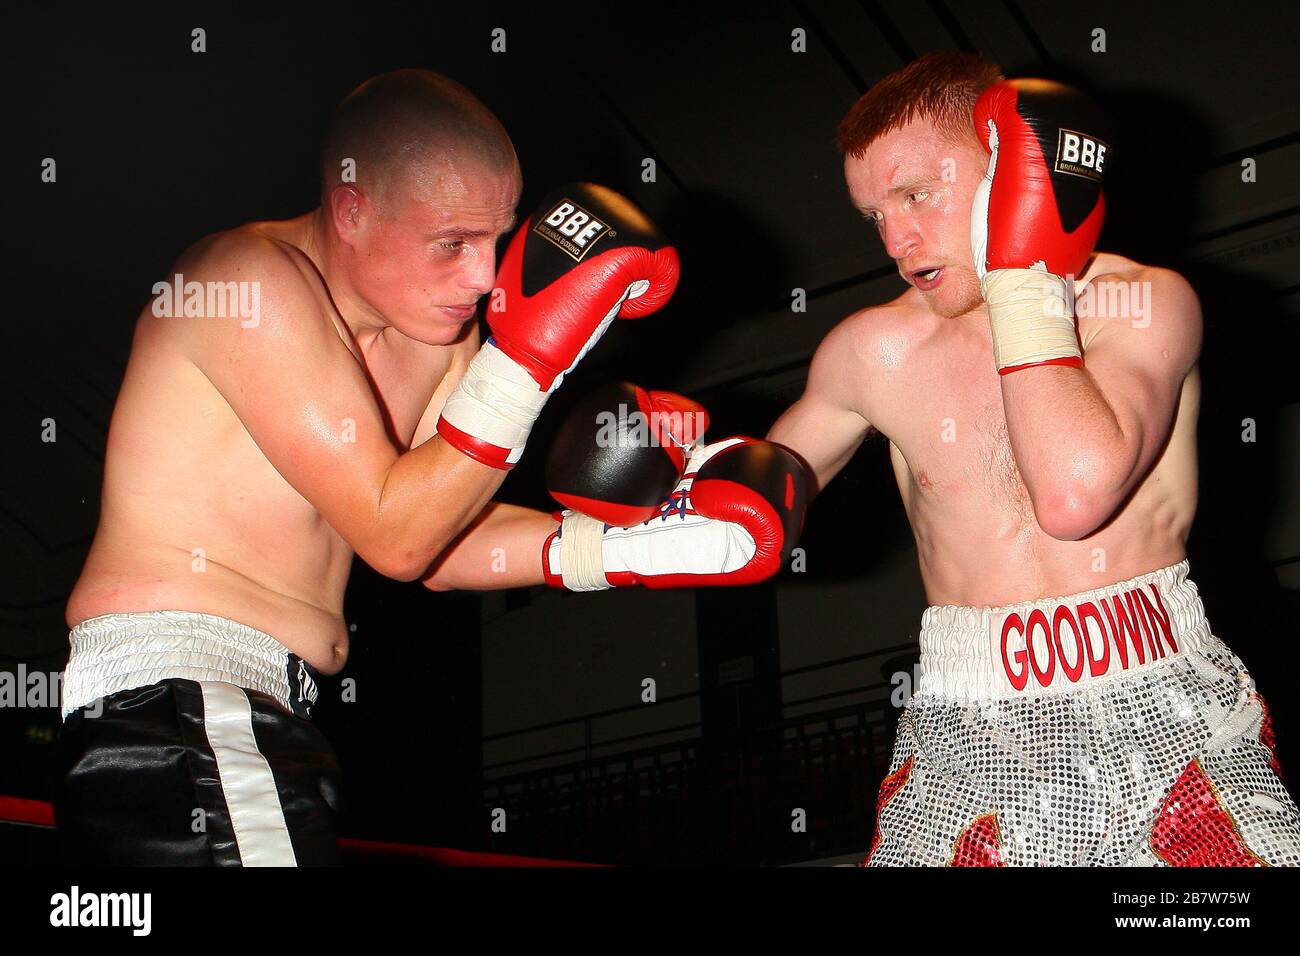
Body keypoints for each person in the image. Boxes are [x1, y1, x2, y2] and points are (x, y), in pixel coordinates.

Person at [54, 67, 793, 866]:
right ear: (352, 209)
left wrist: (633, 550)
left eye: (498, 237)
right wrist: (527, 363)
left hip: (263, 711)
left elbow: (439, 545)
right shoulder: (242, 284)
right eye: (452, 243)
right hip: (176, 702)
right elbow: (394, 534)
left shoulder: (437, 338)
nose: (484, 275)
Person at [765, 52, 1300, 866]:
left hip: (1167, 710)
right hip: (965, 730)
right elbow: (743, 511)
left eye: (917, 194)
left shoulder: (1140, 305)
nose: (896, 238)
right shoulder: (871, 352)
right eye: (874, 214)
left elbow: (1074, 490)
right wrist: (613, 520)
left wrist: (1023, 278)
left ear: (1013, 166)